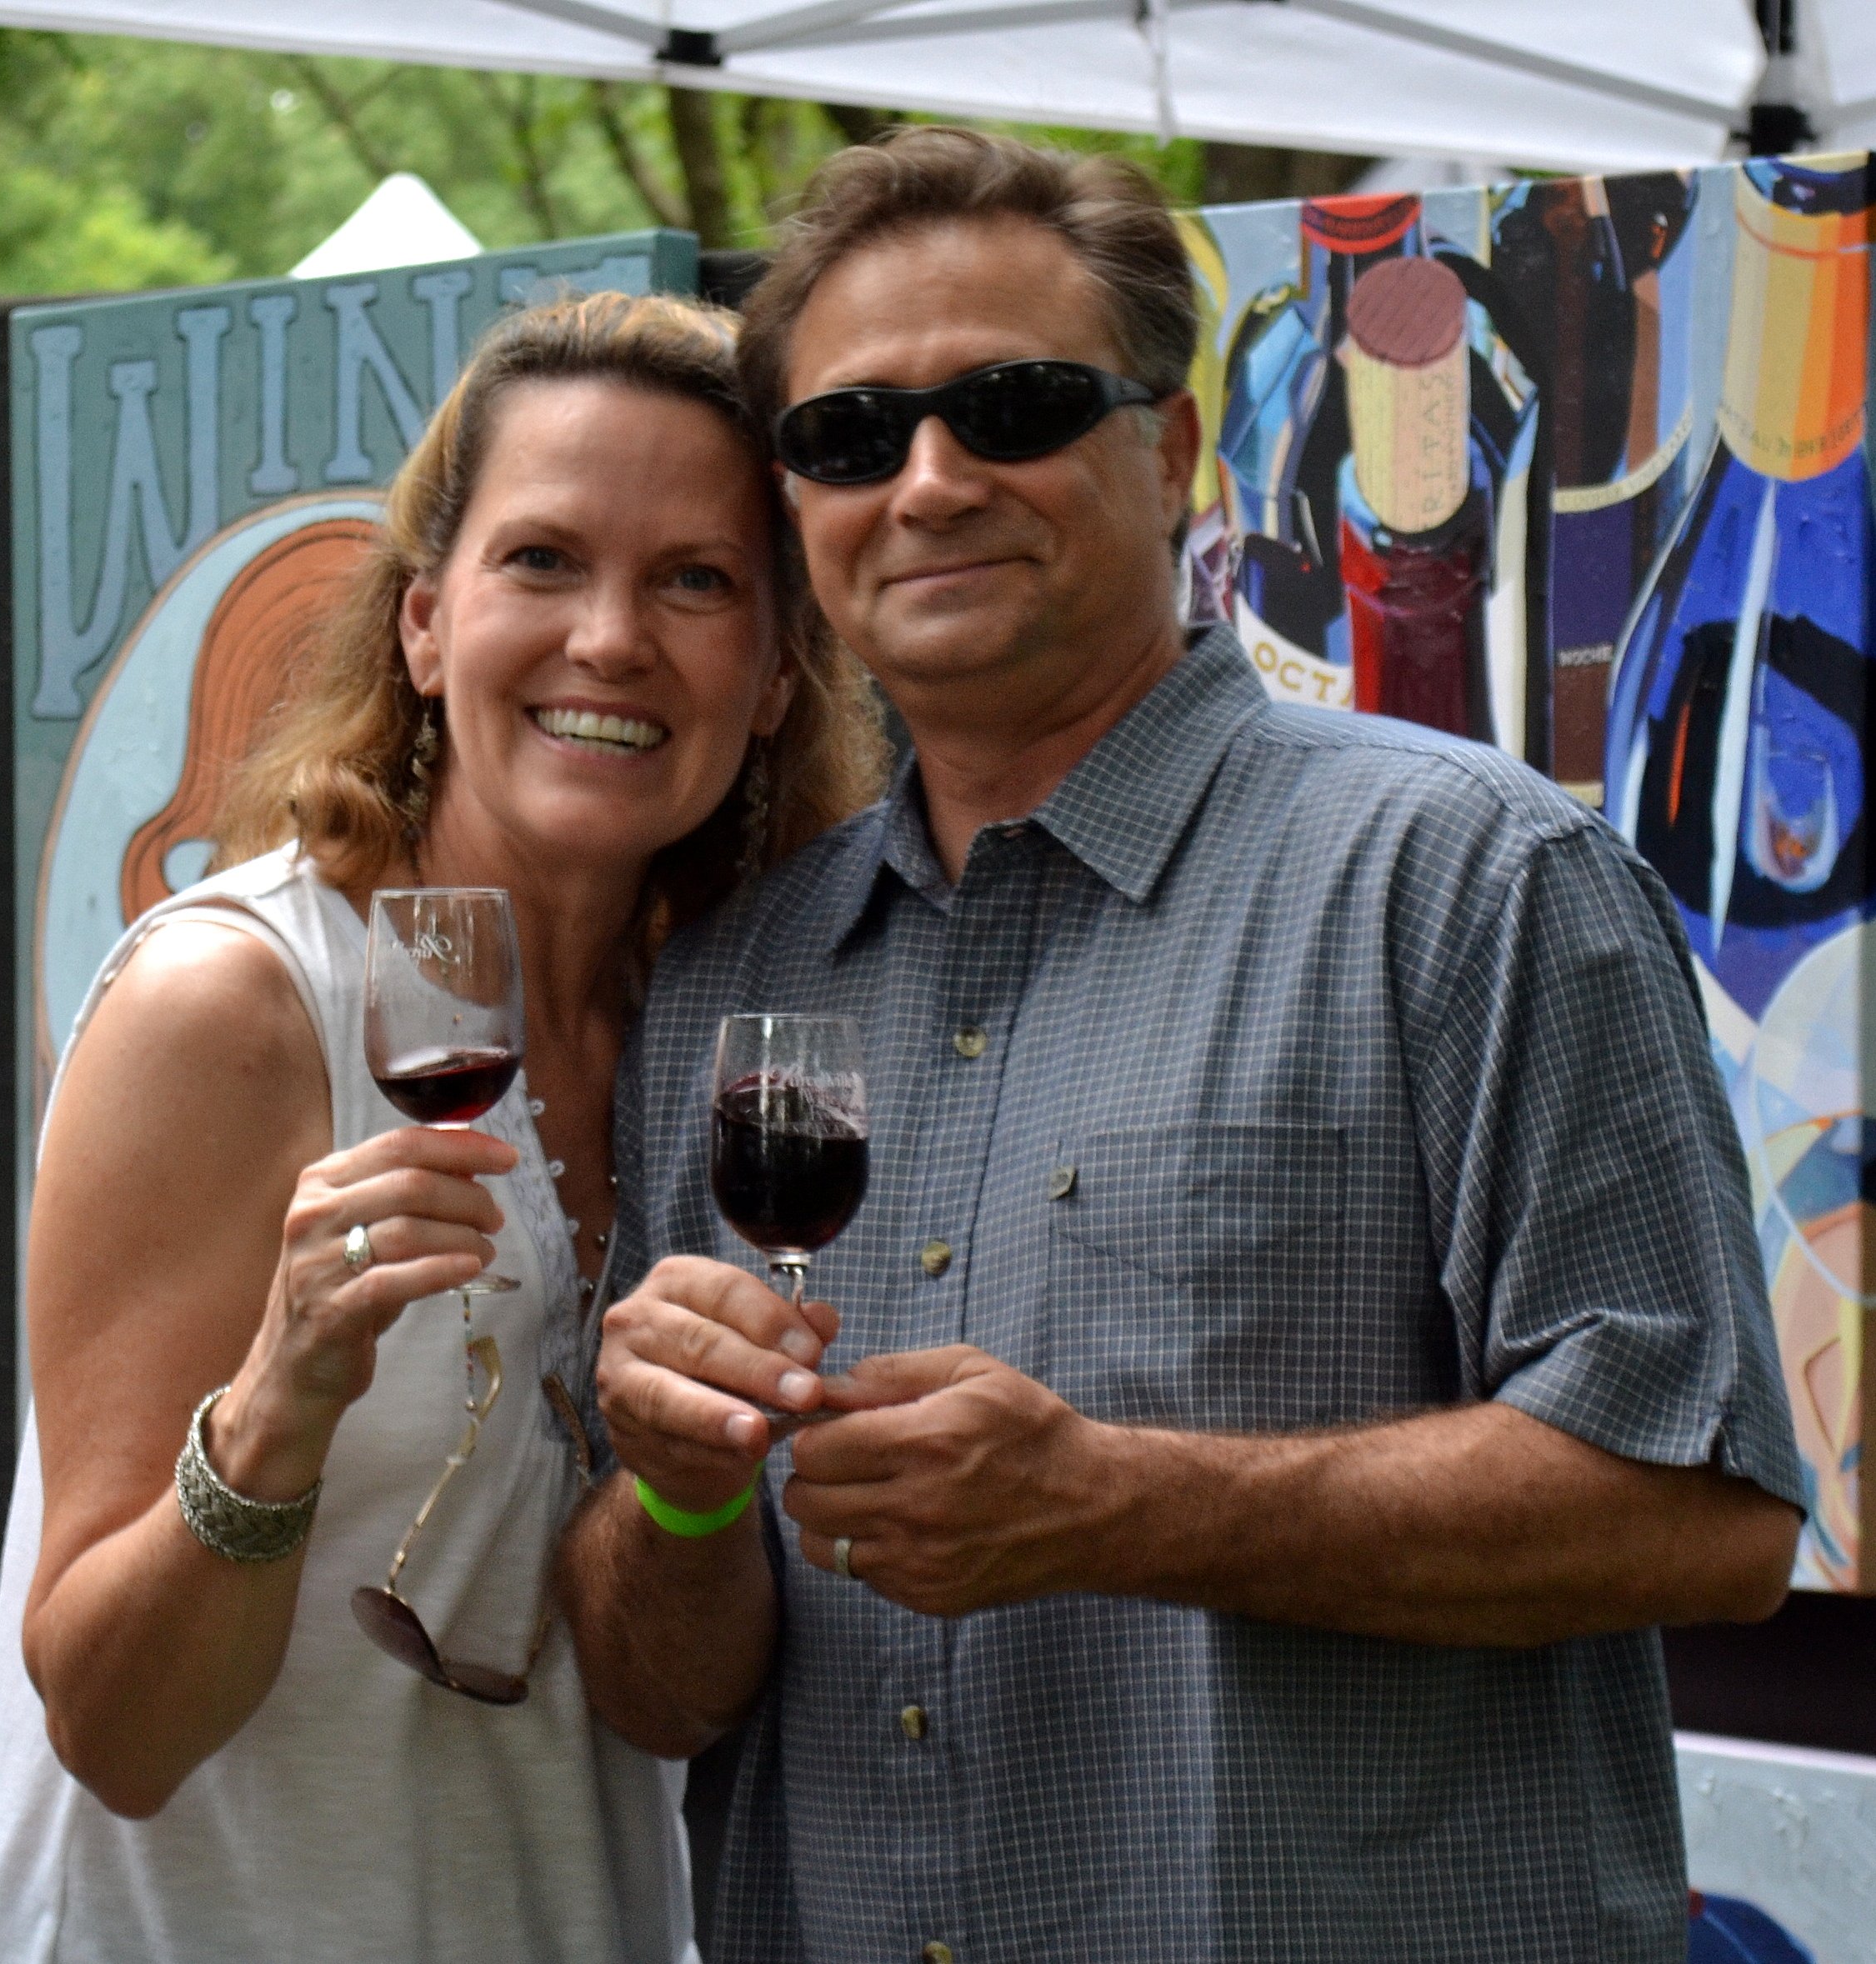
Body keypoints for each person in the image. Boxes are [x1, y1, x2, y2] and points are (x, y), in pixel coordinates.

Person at [557, 131, 1807, 1962]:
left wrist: (1113, 1506)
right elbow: (662, 1694)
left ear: (1168, 448)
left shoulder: (1472, 878)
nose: (924, 481)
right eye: (847, 435)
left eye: (1012, 405)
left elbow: (1697, 1517)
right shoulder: (746, 972)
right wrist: (671, 1497)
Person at [0, 290, 882, 1964]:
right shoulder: (232, 1005)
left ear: (772, 675)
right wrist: (276, 1410)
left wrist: (689, 1494)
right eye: (541, 560)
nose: (611, 636)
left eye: (694, 580)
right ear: (423, 629)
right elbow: (111, 1725)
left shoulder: (727, 1056)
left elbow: (668, 1700)